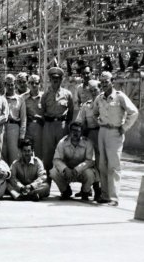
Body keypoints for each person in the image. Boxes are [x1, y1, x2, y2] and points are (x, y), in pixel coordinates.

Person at [93, 71, 139, 206]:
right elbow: (95, 112)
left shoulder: (120, 97)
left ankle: (114, 198)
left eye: (106, 82)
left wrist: (124, 127)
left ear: (112, 82)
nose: (103, 85)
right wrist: (98, 121)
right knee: (102, 164)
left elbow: (134, 112)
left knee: (114, 165)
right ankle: (105, 195)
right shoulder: (99, 98)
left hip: (115, 132)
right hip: (103, 131)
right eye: (101, 82)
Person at [41, 66, 74, 179]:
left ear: (61, 80)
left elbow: (71, 111)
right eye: (53, 78)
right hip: (49, 126)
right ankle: (47, 182)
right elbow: (42, 111)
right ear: (50, 79)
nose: (55, 80)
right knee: (48, 154)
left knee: (63, 153)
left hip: (62, 125)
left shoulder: (67, 94)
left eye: (58, 78)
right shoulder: (45, 95)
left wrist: (66, 124)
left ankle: (64, 184)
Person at [50, 121, 97, 201]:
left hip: (81, 172)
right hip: (67, 172)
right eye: (73, 130)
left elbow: (90, 161)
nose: (75, 133)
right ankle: (65, 191)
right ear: (69, 131)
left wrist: (78, 169)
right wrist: (65, 168)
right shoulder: (62, 142)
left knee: (90, 173)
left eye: (78, 131)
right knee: (53, 172)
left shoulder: (87, 143)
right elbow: (56, 160)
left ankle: (85, 191)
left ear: (81, 132)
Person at [75, 79, 102, 199]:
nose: (93, 92)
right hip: (90, 135)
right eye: (91, 91)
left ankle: (101, 190)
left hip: (103, 134)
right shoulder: (86, 105)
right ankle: (87, 188)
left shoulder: (105, 102)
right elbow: (79, 121)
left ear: (99, 89)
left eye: (95, 89)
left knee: (101, 164)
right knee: (90, 163)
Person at [2, 73, 27, 165]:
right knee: (2, 154)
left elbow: (23, 119)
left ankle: (13, 177)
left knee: (14, 155)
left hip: (14, 128)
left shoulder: (20, 99)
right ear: (4, 84)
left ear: (15, 84)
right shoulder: (0, 98)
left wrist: (22, 135)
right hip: (2, 127)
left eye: (12, 84)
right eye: (8, 85)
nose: (10, 87)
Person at [23, 74, 44, 160]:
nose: (34, 85)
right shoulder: (23, 98)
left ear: (40, 84)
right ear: (28, 84)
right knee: (26, 153)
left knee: (39, 155)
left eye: (36, 83)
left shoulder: (44, 97)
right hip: (28, 129)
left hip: (40, 128)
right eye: (31, 83)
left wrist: (40, 117)